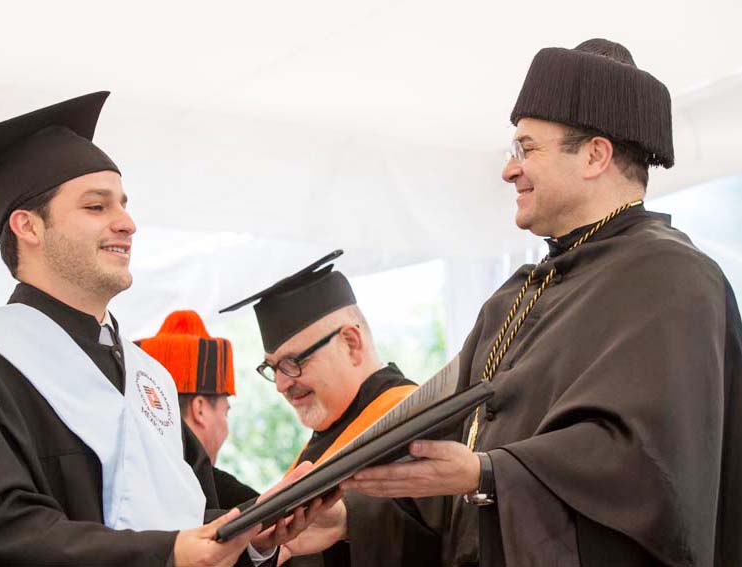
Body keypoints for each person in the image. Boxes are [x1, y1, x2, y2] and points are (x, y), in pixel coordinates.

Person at [340, 39, 742, 566]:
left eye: (526, 149)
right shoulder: (514, 298)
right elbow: (452, 498)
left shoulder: (676, 280)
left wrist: (489, 474)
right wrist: (349, 519)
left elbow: (654, 475)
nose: (509, 171)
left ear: (596, 155)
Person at [0, 92, 330, 567]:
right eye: (97, 207)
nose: (127, 223)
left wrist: (255, 534)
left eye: (124, 206)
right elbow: (2, 534)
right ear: (28, 226)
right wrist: (165, 553)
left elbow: (192, 513)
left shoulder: (147, 376)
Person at [220, 250, 441, 566]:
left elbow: (451, 540)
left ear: (351, 343)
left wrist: (350, 522)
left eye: (294, 363)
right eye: (272, 368)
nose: (282, 384)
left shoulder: (419, 423)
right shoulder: (318, 446)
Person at [138, 309, 260, 509]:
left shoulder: (128, 477)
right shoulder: (231, 500)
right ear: (200, 409)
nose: (226, 428)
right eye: (225, 412)